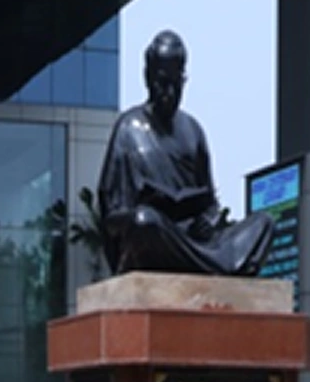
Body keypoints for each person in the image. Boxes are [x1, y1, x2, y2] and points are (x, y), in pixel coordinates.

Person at [96, 31, 273, 278]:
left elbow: (209, 203)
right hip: (157, 235)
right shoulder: (128, 129)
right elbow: (111, 216)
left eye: (175, 83)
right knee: (144, 221)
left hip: (196, 240)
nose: (168, 92)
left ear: (184, 80)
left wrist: (208, 220)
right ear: (147, 77)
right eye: (161, 82)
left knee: (264, 223)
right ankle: (220, 267)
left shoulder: (193, 130)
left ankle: (210, 265)